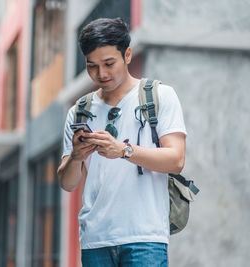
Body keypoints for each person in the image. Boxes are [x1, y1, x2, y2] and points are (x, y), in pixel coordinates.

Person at [57, 17, 187, 267]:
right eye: (92, 66)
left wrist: (123, 150)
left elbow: (176, 160)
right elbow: (67, 183)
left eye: (108, 63)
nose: (101, 74)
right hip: (95, 241)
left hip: (145, 239)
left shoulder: (159, 96)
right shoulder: (79, 111)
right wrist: (76, 156)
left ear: (127, 55)